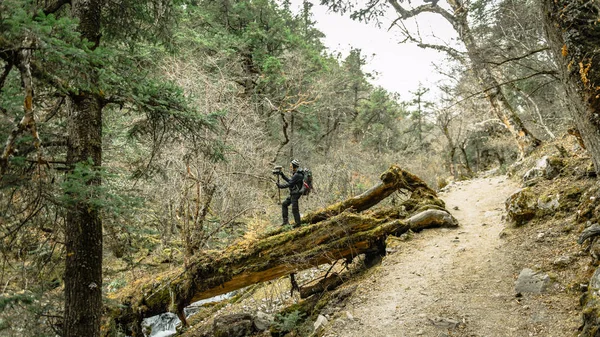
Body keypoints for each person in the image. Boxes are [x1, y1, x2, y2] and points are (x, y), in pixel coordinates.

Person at [276, 159, 304, 227]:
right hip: (293, 193)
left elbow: (290, 183)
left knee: (295, 209)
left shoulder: (297, 174)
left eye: (291, 165)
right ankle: (285, 222)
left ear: (294, 166)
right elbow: (291, 181)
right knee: (284, 204)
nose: (290, 167)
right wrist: (282, 175)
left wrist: (280, 186)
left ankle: (298, 224)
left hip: (295, 194)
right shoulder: (296, 174)